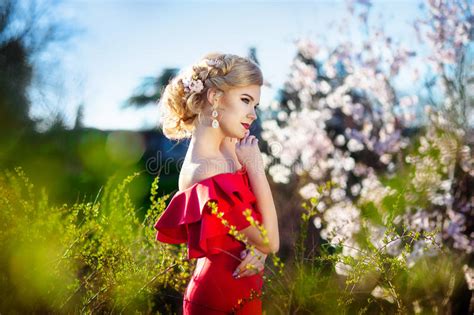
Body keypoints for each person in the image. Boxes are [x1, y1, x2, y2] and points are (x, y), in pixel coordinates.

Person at [154, 52, 280, 314]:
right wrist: (256, 167)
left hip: (242, 291)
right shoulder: (206, 172)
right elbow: (271, 240)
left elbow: (261, 239)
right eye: (245, 100)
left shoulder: (229, 147)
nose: (253, 114)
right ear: (214, 98)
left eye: (255, 105)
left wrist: (260, 250)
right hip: (218, 298)